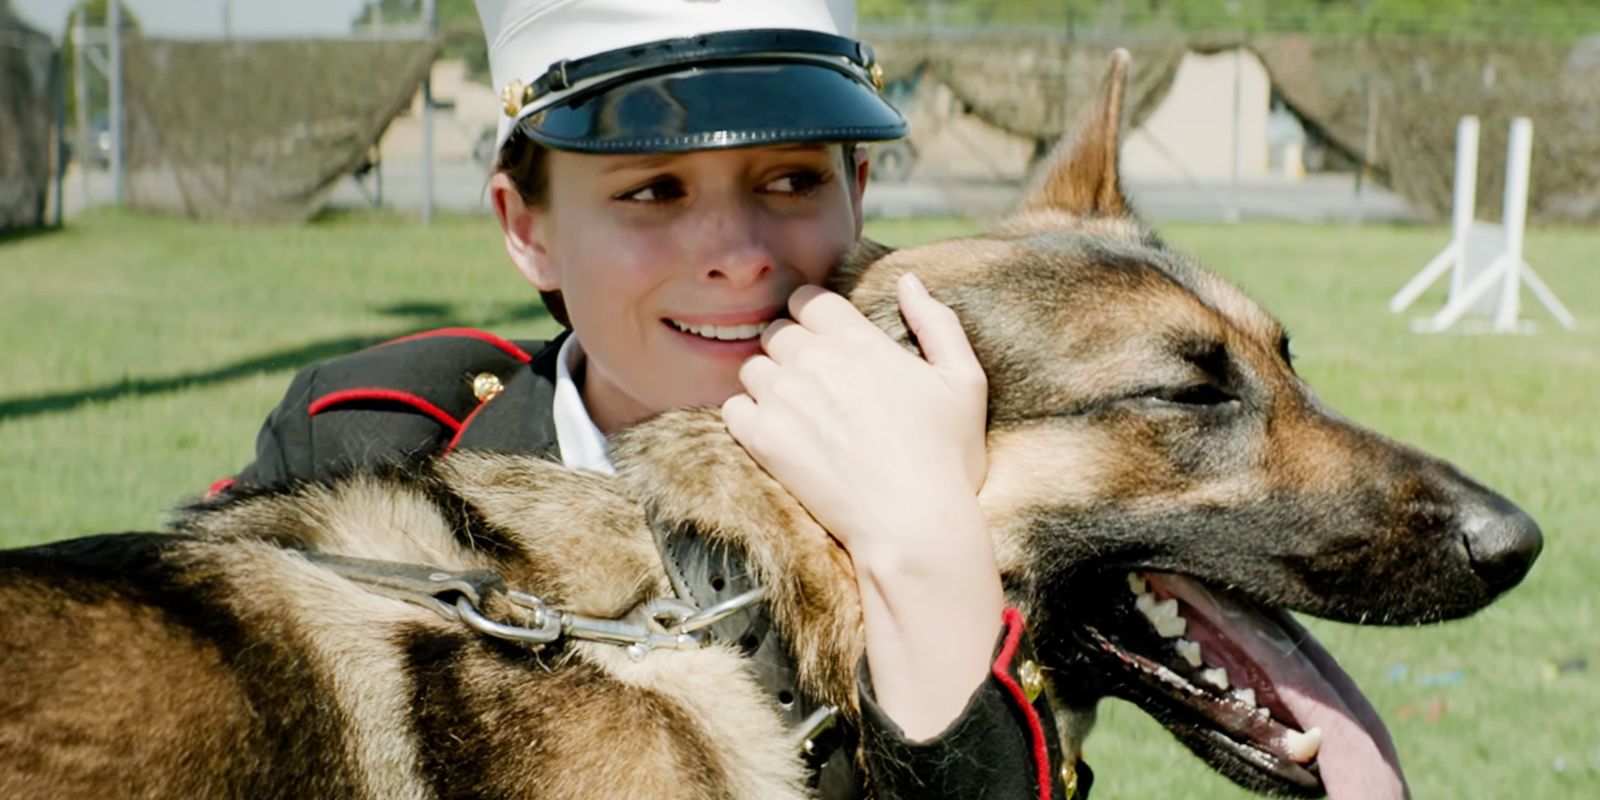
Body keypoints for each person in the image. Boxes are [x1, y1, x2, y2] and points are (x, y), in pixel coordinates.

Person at [220, 1, 1088, 797]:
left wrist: (929, 541)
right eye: (652, 190)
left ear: (856, 193)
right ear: (530, 231)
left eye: (791, 180)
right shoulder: (367, 443)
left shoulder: (993, 471)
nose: (740, 254)